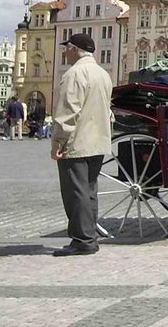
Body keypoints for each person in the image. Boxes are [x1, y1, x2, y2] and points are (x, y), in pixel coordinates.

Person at [51, 32, 113, 257]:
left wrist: (58, 141)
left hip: (77, 141)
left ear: (75, 49)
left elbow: (68, 111)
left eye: (66, 48)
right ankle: (89, 235)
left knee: (75, 192)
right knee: (89, 191)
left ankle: (83, 240)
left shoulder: (74, 73)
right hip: (99, 140)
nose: (64, 52)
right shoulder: (103, 74)